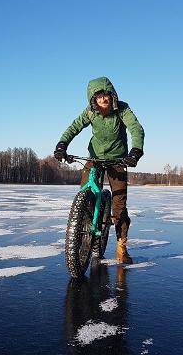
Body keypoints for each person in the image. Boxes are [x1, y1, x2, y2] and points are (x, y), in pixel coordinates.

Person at [54, 76, 144, 264]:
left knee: (119, 206)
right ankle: (84, 234)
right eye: (98, 97)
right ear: (93, 100)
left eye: (106, 95)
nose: (103, 100)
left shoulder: (123, 109)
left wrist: (135, 151)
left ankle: (122, 247)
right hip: (94, 158)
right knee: (85, 195)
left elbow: (136, 129)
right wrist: (62, 144)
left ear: (112, 95)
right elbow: (74, 127)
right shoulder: (90, 112)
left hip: (118, 160)